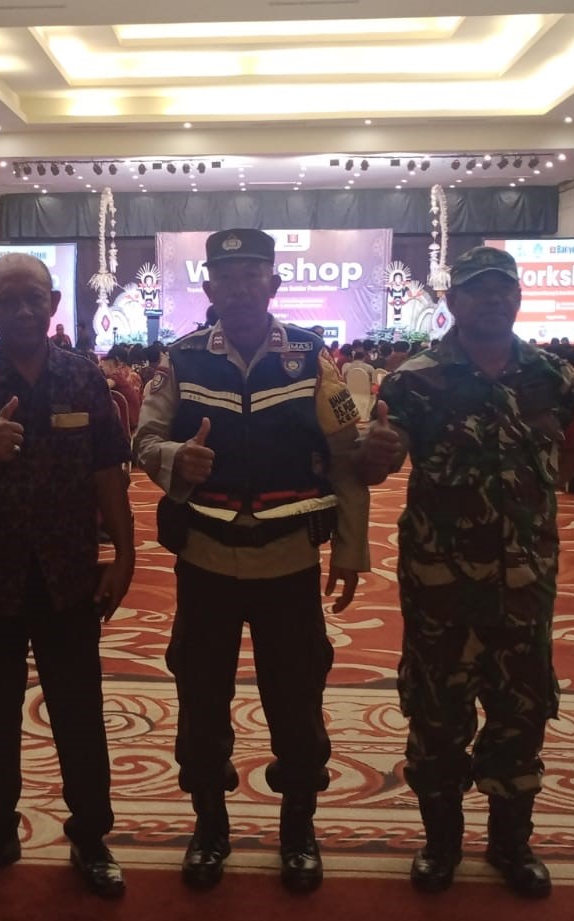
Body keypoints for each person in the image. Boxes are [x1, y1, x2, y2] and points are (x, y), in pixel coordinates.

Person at [134, 229, 392, 893]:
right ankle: (209, 825)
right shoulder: (181, 359)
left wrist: (350, 550)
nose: (241, 287)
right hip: (205, 562)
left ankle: (297, 828)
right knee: (200, 699)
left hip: (287, 564)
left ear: (273, 284)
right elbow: (145, 438)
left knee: (297, 700)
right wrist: (175, 460)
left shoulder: (312, 358)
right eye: (228, 277)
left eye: (253, 275)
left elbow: (344, 454)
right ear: (209, 288)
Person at [376, 246, 574, 899]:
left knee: (520, 713)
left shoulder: (553, 377)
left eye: (503, 288)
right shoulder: (414, 380)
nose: (493, 299)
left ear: (518, 297)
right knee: (437, 715)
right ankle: (441, 844)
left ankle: (511, 844)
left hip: (525, 584)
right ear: (453, 301)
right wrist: (374, 452)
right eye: (478, 290)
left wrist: (539, 494)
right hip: (440, 587)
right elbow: (378, 461)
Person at [0, 253, 134, 898]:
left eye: (34, 298)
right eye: (9, 300)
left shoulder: (84, 378)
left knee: (79, 714)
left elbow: (108, 471)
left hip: (69, 576)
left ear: (53, 304)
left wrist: (125, 555)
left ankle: (91, 837)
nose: (23, 310)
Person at [100, 348, 141, 429]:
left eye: (103, 367)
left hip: (129, 420)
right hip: (132, 417)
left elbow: (101, 386)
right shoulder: (120, 375)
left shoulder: (116, 377)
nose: (101, 369)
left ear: (110, 366)